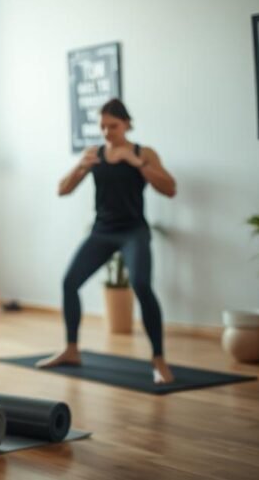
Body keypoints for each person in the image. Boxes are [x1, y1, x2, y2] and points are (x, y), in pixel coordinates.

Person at [37, 98, 177, 384]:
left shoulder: (143, 152)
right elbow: (62, 190)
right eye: (102, 126)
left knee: (141, 284)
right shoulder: (95, 154)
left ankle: (159, 360)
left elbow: (170, 188)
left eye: (112, 126)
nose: (106, 132)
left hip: (133, 231)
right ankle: (72, 349)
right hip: (102, 231)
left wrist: (137, 164)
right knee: (69, 282)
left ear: (126, 124)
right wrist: (80, 166)